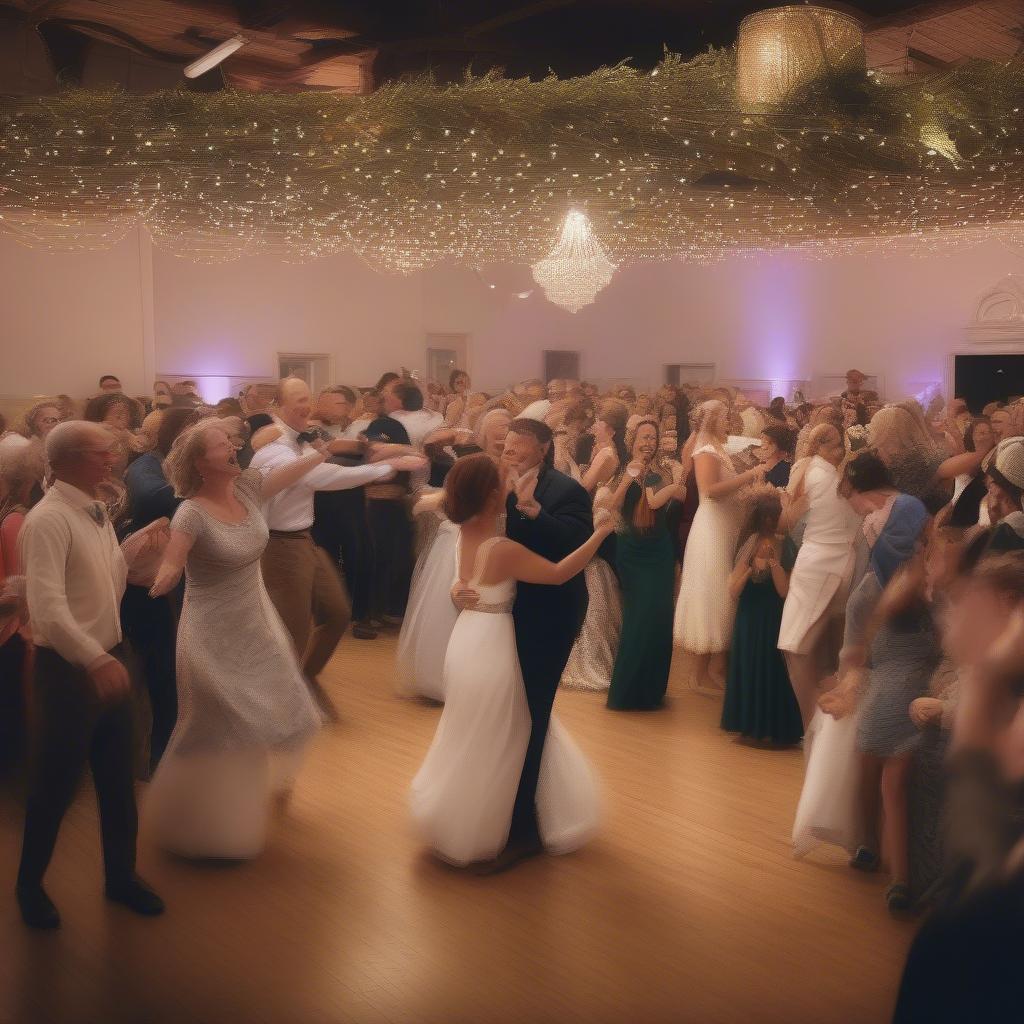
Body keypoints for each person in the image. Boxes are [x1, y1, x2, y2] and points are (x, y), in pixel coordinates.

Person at [410, 454, 609, 867]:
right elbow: (557, 574)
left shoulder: (462, 532)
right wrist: (599, 536)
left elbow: (461, 582)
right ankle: (495, 827)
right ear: (489, 495)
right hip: (492, 648)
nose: (511, 486)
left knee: (469, 731)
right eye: (504, 482)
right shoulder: (500, 548)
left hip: (466, 641)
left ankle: (458, 816)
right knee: (503, 736)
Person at [146, 420, 327, 858]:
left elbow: (295, 471)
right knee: (218, 725)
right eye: (221, 443)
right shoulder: (191, 511)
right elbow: (172, 565)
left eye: (231, 440)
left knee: (281, 709)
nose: (233, 446)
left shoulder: (248, 488)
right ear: (199, 462)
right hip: (211, 629)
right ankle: (196, 823)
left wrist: (323, 450)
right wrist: (156, 577)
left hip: (256, 624)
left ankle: (239, 814)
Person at [15, 421, 164, 929]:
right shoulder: (48, 519)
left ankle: (120, 878)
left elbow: (101, 583)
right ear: (74, 459)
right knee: (54, 786)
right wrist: (96, 659)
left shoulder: (96, 512)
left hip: (108, 657)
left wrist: (132, 549)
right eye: (104, 452)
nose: (114, 458)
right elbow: (49, 608)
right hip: (68, 671)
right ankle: (29, 886)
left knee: (118, 782)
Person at [453, 417, 593, 871]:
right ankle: (505, 811)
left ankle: (522, 831)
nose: (509, 451)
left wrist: (534, 511)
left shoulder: (566, 491)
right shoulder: (492, 483)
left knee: (531, 716)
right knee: (504, 718)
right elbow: (468, 536)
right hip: (499, 617)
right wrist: (459, 585)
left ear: (544, 448)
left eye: (519, 445)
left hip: (549, 614)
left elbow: (573, 543)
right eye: (507, 443)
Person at [250, 378, 422, 720]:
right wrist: (386, 468)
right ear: (279, 407)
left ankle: (304, 680)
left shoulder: (304, 438)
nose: (306, 406)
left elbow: (333, 453)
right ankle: (281, 708)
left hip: (304, 539)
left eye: (307, 399)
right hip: (280, 546)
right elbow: (320, 477)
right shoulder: (274, 446)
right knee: (293, 629)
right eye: (298, 400)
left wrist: (384, 454)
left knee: (337, 612)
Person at [397, 409, 511, 701]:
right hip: (463, 540)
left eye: (507, 429)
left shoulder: (512, 467)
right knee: (455, 605)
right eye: (496, 429)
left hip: (497, 542)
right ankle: (447, 676)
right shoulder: (473, 463)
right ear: (483, 433)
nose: (502, 435)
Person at [675, 399, 766, 690]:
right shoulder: (705, 451)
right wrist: (749, 476)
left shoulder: (718, 449)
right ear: (712, 420)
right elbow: (710, 491)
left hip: (725, 525)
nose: (730, 422)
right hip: (711, 527)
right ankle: (700, 673)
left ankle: (710, 669)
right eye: (725, 418)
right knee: (713, 591)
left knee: (721, 593)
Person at [779, 424, 860, 728]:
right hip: (824, 562)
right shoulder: (819, 472)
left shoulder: (823, 472)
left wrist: (785, 504)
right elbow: (789, 519)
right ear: (822, 446)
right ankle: (816, 721)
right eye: (838, 445)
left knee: (798, 645)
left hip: (823, 563)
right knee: (807, 645)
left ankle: (813, 723)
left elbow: (787, 519)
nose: (842, 451)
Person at [604, 418, 684, 710]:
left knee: (661, 616)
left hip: (660, 549)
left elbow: (672, 510)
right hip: (633, 551)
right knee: (640, 616)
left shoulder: (664, 470)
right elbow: (611, 506)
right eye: (643, 437)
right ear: (632, 440)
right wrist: (629, 476)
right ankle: (626, 692)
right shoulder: (622, 468)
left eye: (653, 437)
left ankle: (652, 692)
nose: (648, 442)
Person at [721, 491, 802, 745]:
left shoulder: (787, 545)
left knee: (770, 666)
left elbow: (784, 591)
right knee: (748, 665)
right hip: (748, 615)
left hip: (772, 616)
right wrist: (750, 568)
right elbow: (733, 590)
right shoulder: (750, 542)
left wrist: (774, 564)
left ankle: (771, 727)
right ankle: (748, 725)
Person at [561, 401, 629, 692]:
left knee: (593, 588)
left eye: (599, 422)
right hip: (595, 515)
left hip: (596, 519)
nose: (594, 425)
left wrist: (566, 460)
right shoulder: (604, 451)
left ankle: (591, 660)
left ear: (610, 428)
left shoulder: (605, 453)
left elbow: (582, 486)